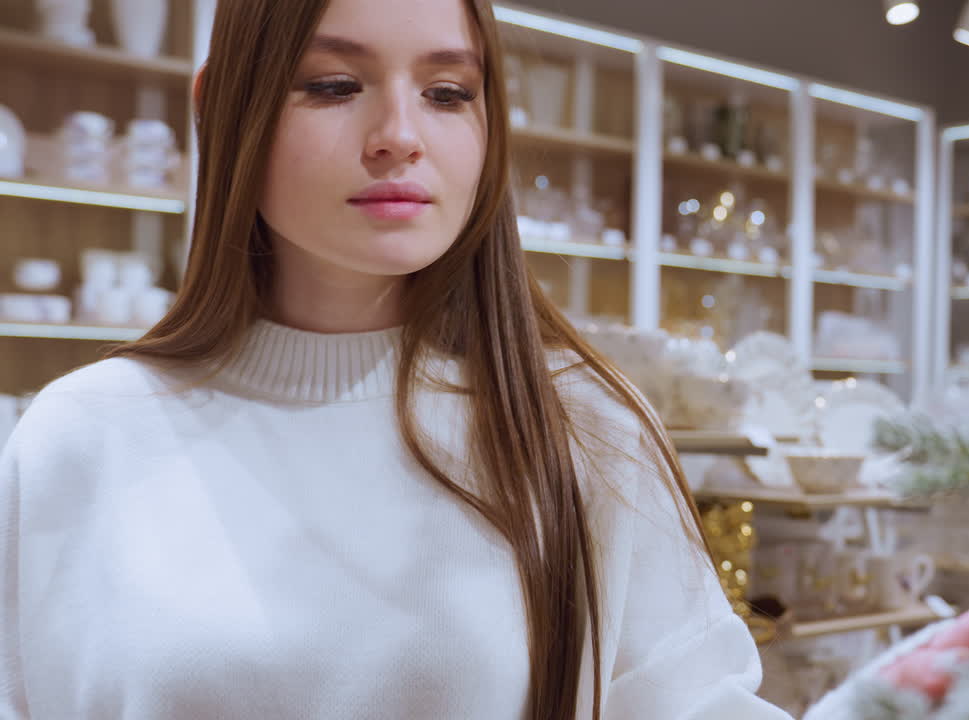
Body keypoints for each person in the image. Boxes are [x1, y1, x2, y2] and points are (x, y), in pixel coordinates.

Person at [0, 0, 793, 717]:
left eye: (448, 93)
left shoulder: (581, 425)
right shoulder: (84, 434)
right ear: (219, 106)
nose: (400, 136)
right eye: (334, 84)